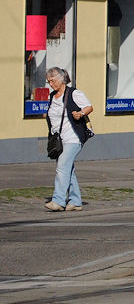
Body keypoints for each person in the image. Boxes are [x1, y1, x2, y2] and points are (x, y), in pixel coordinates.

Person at [44, 67, 93, 212]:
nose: (50, 84)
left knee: (62, 167)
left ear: (61, 79)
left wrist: (80, 113)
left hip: (73, 138)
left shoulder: (74, 93)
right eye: (48, 82)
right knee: (68, 170)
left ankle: (58, 201)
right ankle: (76, 201)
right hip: (59, 139)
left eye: (52, 81)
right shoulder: (53, 96)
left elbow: (89, 107)